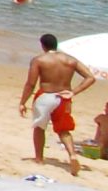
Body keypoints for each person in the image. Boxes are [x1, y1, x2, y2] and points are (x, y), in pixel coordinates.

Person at [21, 33, 97, 175]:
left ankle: (39, 159)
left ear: (42, 45)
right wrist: (74, 92)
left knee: (39, 127)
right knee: (63, 129)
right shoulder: (70, 60)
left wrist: (22, 102)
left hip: (45, 96)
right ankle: (72, 155)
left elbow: (31, 84)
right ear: (57, 45)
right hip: (63, 97)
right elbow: (90, 78)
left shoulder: (39, 60)